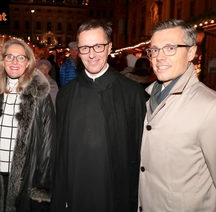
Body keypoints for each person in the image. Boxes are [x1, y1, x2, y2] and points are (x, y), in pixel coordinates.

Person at [51, 19, 147, 212]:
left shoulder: (132, 93)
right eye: (85, 48)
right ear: (78, 51)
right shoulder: (66, 94)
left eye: (98, 46)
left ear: (109, 47)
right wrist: (61, 194)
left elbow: (140, 151)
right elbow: (59, 150)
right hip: (76, 192)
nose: (92, 54)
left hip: (116, 193)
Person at [138, 19, 216, 212]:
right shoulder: (148, 97)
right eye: (154, 50)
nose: (159, 57)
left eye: (170, 48)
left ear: (191, 52)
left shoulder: (209, 106)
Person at [0, 39, 56, 212]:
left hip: (27, 177)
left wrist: (41, 185)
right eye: (10, 57)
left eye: (20, 58)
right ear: (3, 60)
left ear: (28, 62)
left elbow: (48, 142)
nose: (14, 62)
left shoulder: (39, 94)